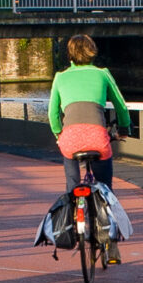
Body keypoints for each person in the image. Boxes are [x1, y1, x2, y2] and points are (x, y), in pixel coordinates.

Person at [47, 34, 130, 264]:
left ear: (70, 54)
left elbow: (52, 114)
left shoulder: (60, 77)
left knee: (72, 186)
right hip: (97, 139)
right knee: (106, 190)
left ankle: (73, 224)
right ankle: (111, 244)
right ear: (92, 51)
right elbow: (121, 106)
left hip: (70, 141)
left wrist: (59, 135)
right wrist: (124, 128)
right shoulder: (102, 74)